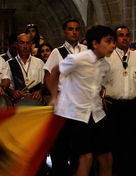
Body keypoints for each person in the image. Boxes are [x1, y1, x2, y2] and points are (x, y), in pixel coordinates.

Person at [49, 25, 116, 176]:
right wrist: (54, 97)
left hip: (97, 113)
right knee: (86, 158)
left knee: (106, 157)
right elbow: (54, 71)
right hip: (77, 115)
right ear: (95, 43)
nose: (113, 45)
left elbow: (94, 85)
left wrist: (99, 96)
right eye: (108, 41)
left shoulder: (105, 65)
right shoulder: (77, 59)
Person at [43, 18, 87, 176]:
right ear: (64, 32)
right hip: (63, 99)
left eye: (76, 29)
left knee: (80, 142)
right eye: (70, 29)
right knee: (62, 141)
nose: (74, 32)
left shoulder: (86, 51)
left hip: (81, 100)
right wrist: (54, 96)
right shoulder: (57, 52)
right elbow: (48, 76)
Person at [104, 25, 136, 176]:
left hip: (132, 106)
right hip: (113, 106)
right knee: (115, 145)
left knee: (133, 145)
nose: (125, 38)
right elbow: (98, 80)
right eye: (121, 35)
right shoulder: (108, 56)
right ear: (115, 38)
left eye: (127, 35)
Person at [6, 33, 44, 102]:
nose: (25, 46)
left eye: (27, 43)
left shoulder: (39, 62)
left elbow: (44, 83)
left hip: (36, 100)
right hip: (17, 101)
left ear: (31, 45)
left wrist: (40, 92)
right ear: (17, 44)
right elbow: (5, 86)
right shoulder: (9, 63)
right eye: (22, 43)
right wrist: (12, 92)